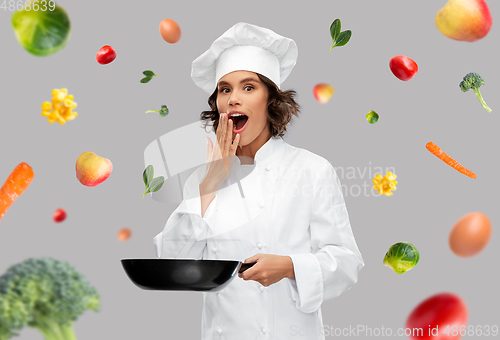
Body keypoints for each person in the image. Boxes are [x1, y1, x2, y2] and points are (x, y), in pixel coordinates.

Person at [154, 22, 364, 340]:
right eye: (225, 89)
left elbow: (346, 263)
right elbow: (171, 261)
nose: (234, 99)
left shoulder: (311, 169)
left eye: (248, 87)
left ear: (271, 100)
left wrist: (290, 266)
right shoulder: (203, 179)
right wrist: (213, 178)